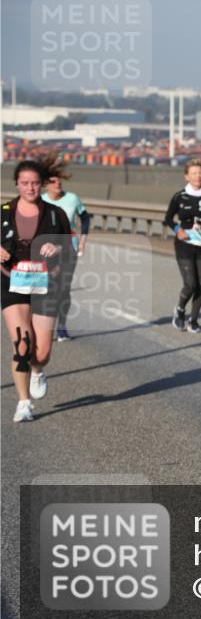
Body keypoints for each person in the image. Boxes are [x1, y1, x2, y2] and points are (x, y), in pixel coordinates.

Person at [1, 160, 74, 422]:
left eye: (34, 183)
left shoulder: (55, 215)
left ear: (41, 185)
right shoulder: (4, 212)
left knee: (41, 352)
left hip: (46, 283)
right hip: (11, 281)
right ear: (16, 184)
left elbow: (70, 249)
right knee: (22, 343)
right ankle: (23, 402)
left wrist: (58, 249)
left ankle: (38, 369)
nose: (30, 188)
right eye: (24, 183)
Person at [163, 158, 201, 333]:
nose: (198, 176)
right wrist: (176, 229)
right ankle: (180, 309)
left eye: (200, 173)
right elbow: (168, 218)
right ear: (186, 177)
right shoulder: (179, 197)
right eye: (194, 173)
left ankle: (193, 321)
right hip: (184, 244)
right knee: (191, 283)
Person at [40, 154, 91, 342]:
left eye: (59, 181)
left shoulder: (72, 199)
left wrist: (83, 240)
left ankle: (61, 326)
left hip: (69, 248)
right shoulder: (41, 201)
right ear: (46, 185)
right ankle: (44, 325)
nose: (58, 184)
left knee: (64, 288)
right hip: (45, 251)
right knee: (46, 288)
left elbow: (85, 218)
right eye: (53, 182)